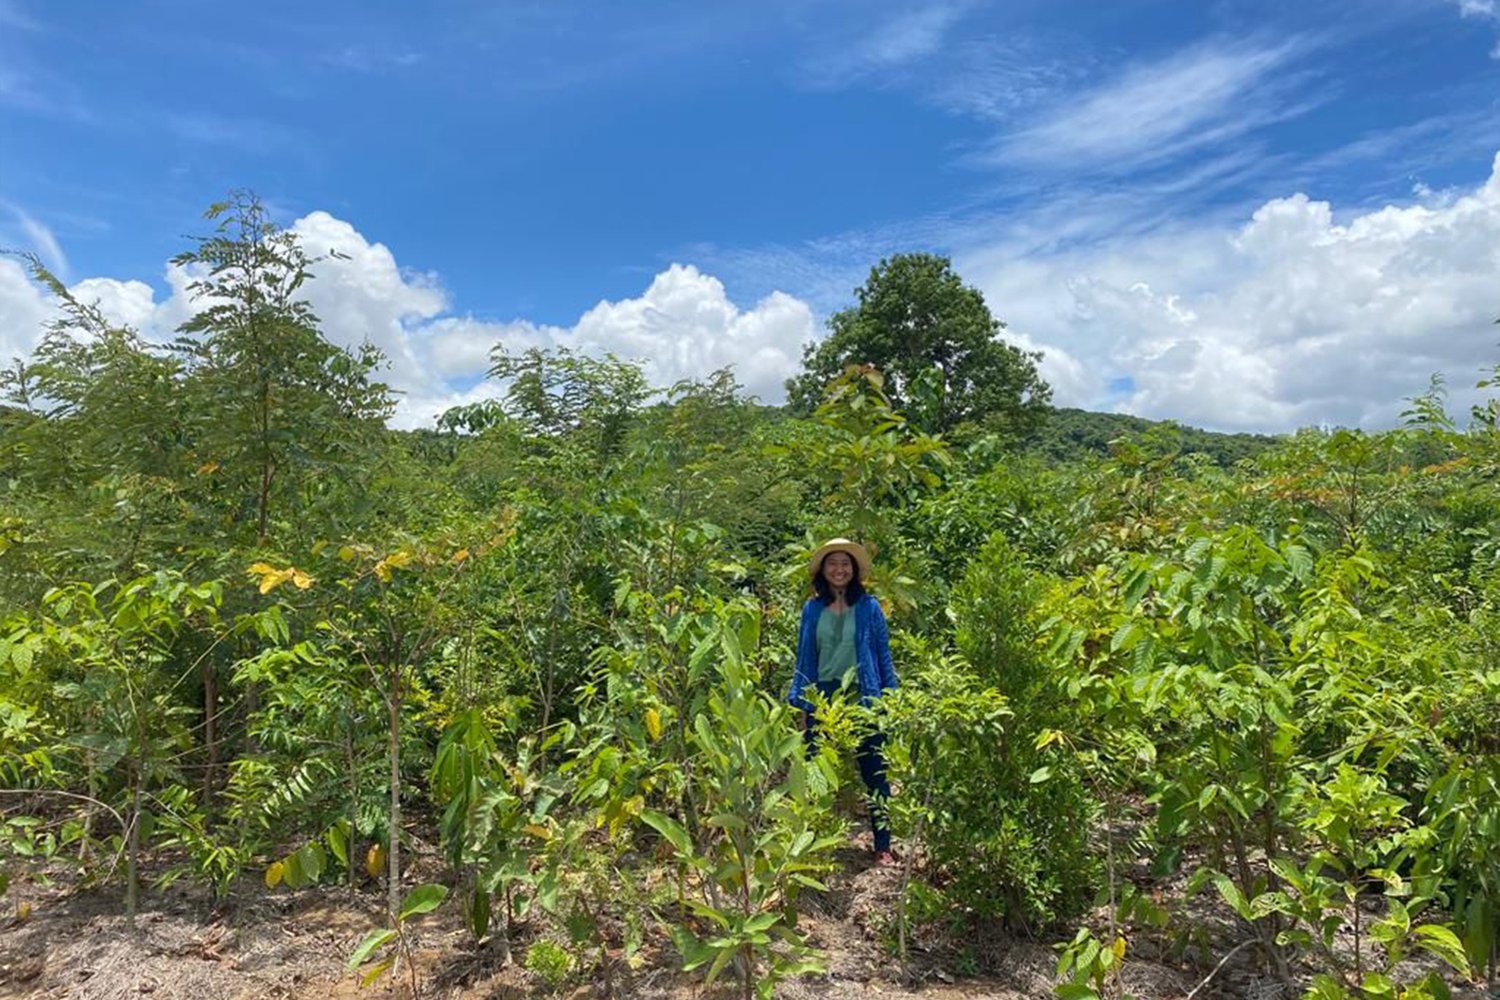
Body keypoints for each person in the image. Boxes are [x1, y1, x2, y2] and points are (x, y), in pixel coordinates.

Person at [787, 537, 898, 864]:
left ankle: (882, 845)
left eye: (845, 564)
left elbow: (883, 655)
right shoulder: (811, 609)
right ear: (823, 570)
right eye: (833, 564)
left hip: (863, 696)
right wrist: (803, 704)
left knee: (875, 772)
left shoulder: (870, 607)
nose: (839, 570)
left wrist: (890, 700)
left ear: (854, 570)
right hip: (823, 697)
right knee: (817, 771)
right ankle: (814, 845)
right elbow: (805, 656)